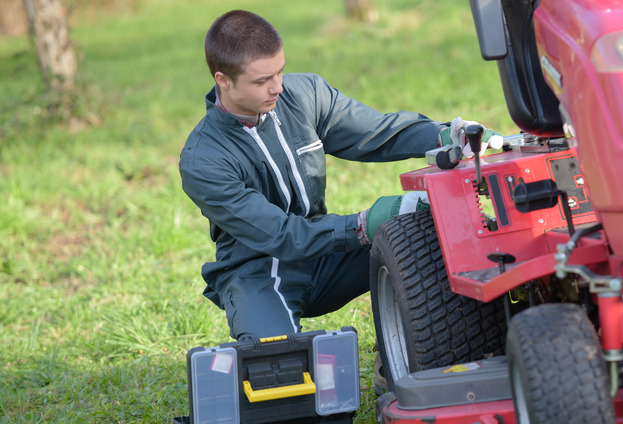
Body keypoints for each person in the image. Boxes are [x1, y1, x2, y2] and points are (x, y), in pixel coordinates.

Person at [180, 9, 500, 341]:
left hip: (326, 253)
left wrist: (444, 136)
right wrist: (363, 224)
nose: (277, 87)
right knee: (276, 364)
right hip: (257, 271)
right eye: (262, 81)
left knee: (436, 230)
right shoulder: (203, 160)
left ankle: (414, 348)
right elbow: (279, 234)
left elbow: (376, 132)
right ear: (223, 81)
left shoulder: (303, 95)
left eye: (280, 72)